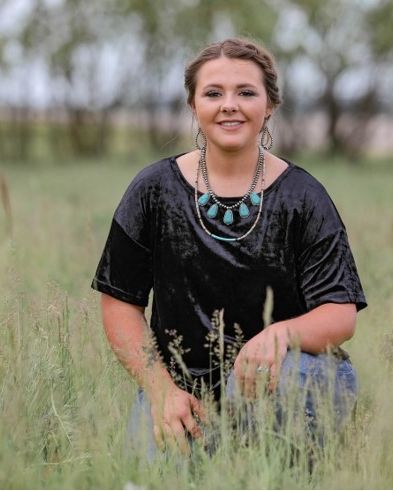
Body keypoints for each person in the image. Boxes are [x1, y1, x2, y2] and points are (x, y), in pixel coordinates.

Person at [91, 37, 367, 460]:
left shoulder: (304, 197)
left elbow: (340, 313)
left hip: (281, 379)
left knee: (273, 453)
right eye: (213, 93)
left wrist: (279, 335)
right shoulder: (153, 190)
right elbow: (120, 304)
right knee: (151, 477)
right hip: (182, 390)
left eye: (246, 92)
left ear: (269, 105)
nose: (229, 105)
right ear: (193, 104)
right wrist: (162, 392)